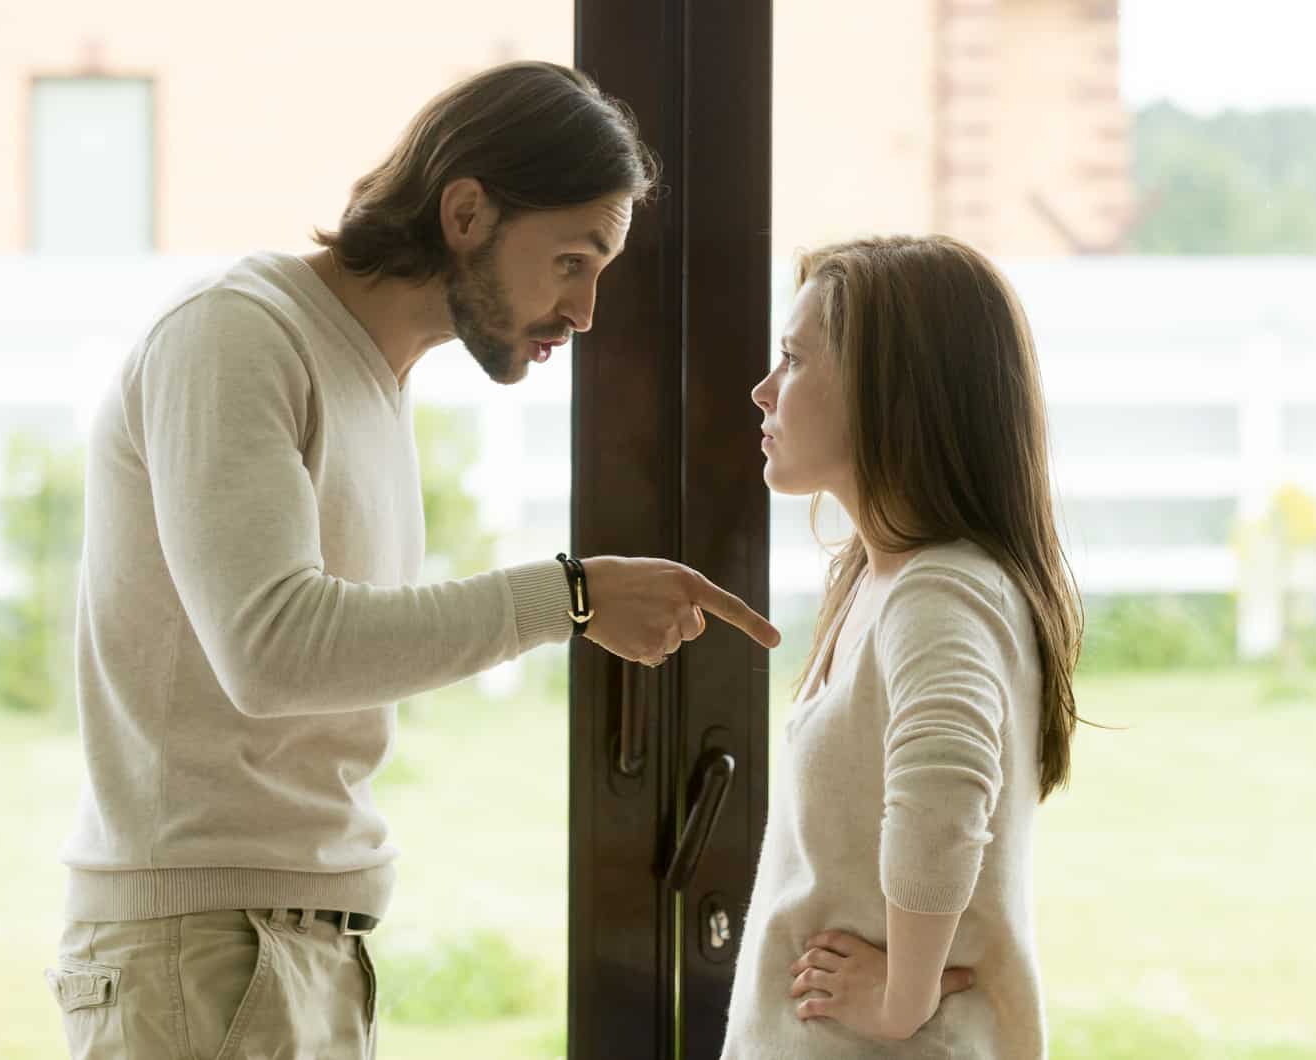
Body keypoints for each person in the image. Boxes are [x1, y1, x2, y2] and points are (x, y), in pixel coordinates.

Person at [44, 60, 781, 1060]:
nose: (587, 311)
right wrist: (569, 596)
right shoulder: (235, 334)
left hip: (293, 943)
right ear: (467, 210)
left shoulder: (371, 380)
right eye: (572, 260)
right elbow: (271, 651)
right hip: (203, 950)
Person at [723, 235, 1084, 1059]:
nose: (763, 389)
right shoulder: (878, 578)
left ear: (891, 396)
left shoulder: (938, 592)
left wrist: (901, 997)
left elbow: (941, 800)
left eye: (794, 359)